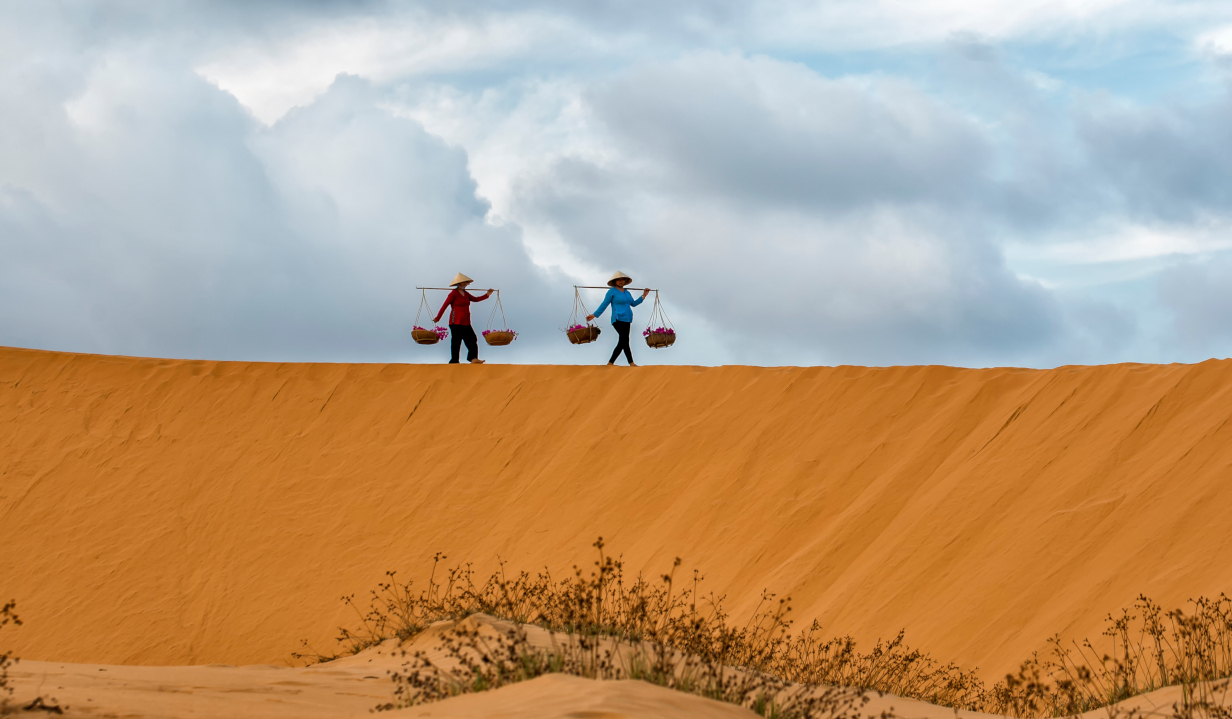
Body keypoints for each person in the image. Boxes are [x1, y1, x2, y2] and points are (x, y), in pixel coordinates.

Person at [587, 271, 651, 366]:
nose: (621, 281)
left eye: (622, 279)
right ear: (615, 281)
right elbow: (605, 303)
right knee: (624, 339)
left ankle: (619, 363)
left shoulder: (627, 293)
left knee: (624, 340)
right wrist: (595, 314)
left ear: (625, 281)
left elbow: (633, 304)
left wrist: (643, 296)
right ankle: (626, 363)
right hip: (617, 319)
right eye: (619, 279)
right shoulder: (612, 292)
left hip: (627, 319)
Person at [434, 273, 492, 364]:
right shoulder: (453, 294)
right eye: (464, 283)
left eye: (466, 283)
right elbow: (445, 305)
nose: (465, 284)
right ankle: (454, 361)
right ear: (459, 283)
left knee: (472, 339)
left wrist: (487, 295)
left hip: (466, 321)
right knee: (456, 341)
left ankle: (473, 358)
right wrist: (438, 318)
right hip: (455, 322)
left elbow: (475, 299)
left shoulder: (466, 294)